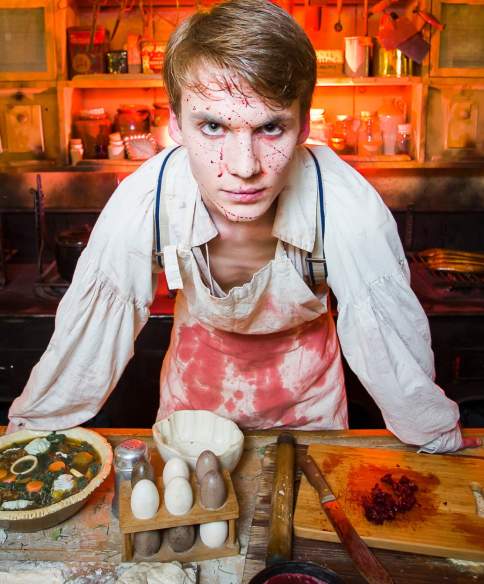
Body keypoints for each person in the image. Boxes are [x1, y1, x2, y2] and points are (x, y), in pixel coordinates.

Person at [7, 0, 480, 453]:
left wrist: (436, 437)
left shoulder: (341, 203)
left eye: (270, 128)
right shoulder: (147, 201)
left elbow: (392, 347)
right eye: (212, 127)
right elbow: (87, 339)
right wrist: (27, 438)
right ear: (175, 125)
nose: (243, 167)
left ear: (303, 127)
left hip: (309, 414)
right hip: (192, 408)